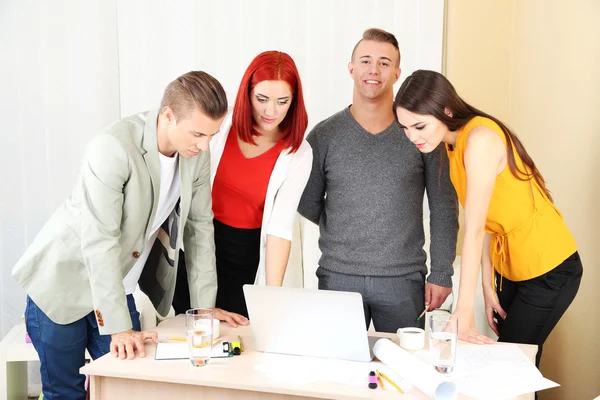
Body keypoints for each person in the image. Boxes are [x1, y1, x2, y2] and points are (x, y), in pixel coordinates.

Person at [12, 71, 248, 399]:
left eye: (212, 134)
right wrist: (120, 328)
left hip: (116, 285)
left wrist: (203, 314)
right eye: (197, 133)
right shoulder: (113, 147)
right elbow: (100, 240)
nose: (205, 145)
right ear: (168, 115)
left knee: (130, 387)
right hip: (63, 285)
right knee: (64, 393)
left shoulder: (198, 155)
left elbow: (200, 231)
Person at [394, 69, 583, 366]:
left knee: (510, 362)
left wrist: (463, 315)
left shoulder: (479, 139)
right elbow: (486, 219)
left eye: (419, 126)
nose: (412, 137)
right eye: (405, 128)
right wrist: (488, 284)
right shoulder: (450, 143)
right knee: (520, 362)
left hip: (549, 266)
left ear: (445, 109)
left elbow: (474, 228)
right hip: (511, 266)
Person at [297, 28, 458, 333]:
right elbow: (308, 202)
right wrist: (349, 224)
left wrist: (441, 272)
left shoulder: (422, 134)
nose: (374, 70)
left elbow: (444, 206)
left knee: (407, 371)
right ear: (351, 68)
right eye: (366, 61)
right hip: (338, 277)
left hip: (403, 281)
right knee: (338, 373)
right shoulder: (324, 135)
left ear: (397, 73)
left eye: (384, 63)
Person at [173, 51, 312, 318]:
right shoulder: (220, 127)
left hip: (245, 257)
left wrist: (271, 298)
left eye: (283, 101)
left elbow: (279, 230)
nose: (271, 111)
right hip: (198, 243)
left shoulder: (298, 153)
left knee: (234, 338)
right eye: (262, 99)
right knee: (189, 329)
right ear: (247, 93)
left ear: (294, 102)